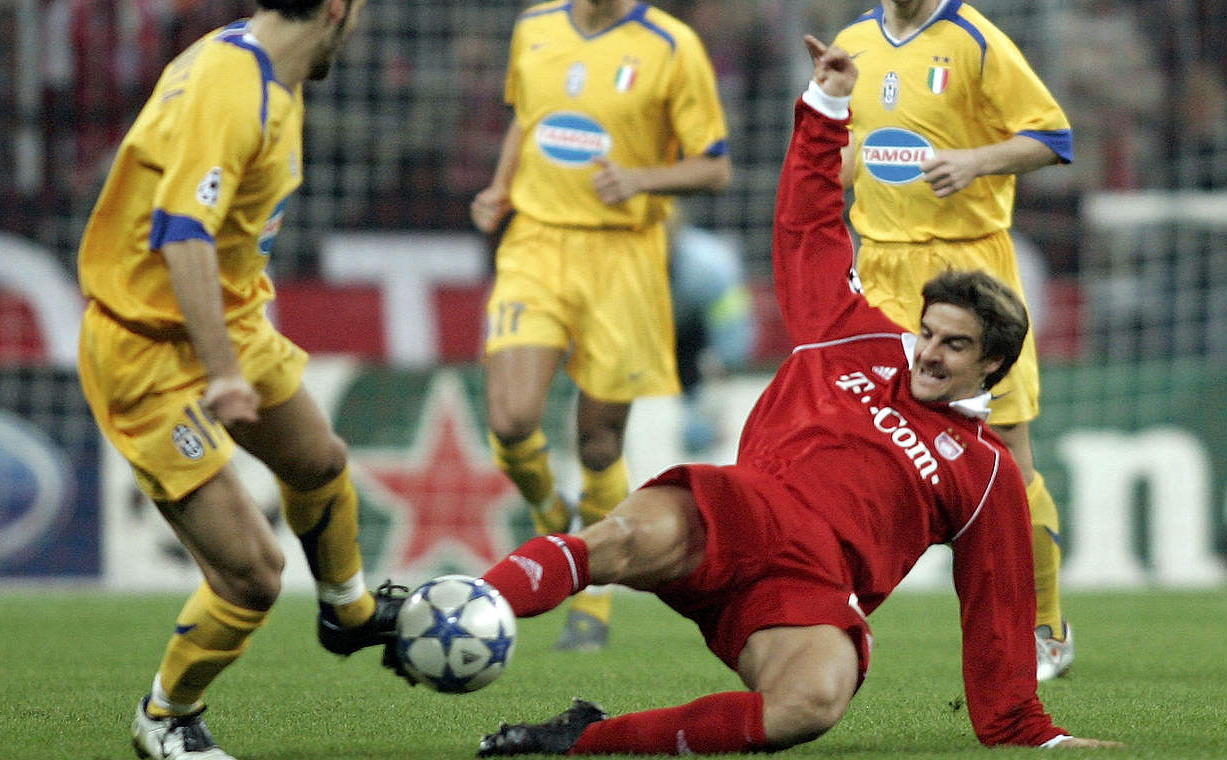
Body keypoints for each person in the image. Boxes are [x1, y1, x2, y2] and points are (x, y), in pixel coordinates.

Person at [466, 38, 1118, 755]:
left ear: (993, 363)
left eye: (953, 345)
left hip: (807, 594)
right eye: (929, 332)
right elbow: (808, 220)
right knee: (618, 538)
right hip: (737, 513)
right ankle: (468, 609)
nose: (928, 352)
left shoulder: (985, 471)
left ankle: (583, 742)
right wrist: (827, 105)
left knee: (812, 702)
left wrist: (1033, 735)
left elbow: (994, 612)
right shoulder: (854, 337)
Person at [75, 2, 403, 758]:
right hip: (151, 349)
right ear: (334, 10)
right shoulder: (232, 89)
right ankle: (165, 716)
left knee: (319, 462)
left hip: (232, 320)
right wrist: (223, 376)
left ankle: (347, 614)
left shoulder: (269, 70)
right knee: (252, 575)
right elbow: (182, 234)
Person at [469, 0, 731, 651]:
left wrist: (641, 178)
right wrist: (502, 186)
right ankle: (548, 512)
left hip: (625, 259)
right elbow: (526, 121)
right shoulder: (533, 27)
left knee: (598, 447)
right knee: (510, 419)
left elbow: (716, 165)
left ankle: (592, 599)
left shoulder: (672, 47)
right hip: (537, 244)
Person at [833, 0, 1077, 681]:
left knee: (1007, 458)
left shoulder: (975, 40)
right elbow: (854, 148)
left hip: (969, 270)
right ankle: (833, 608)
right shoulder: (854, 40)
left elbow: (1054, 137)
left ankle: (1046, 622)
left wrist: (977, 160)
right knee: (865, 446)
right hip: (880, 269)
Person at [669, 220, 756, 454]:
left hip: (699, 328)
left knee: (708, 388)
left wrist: (726, 363)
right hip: (659, 324)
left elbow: (732, 324)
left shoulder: (710, 267)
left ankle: (704, 441)